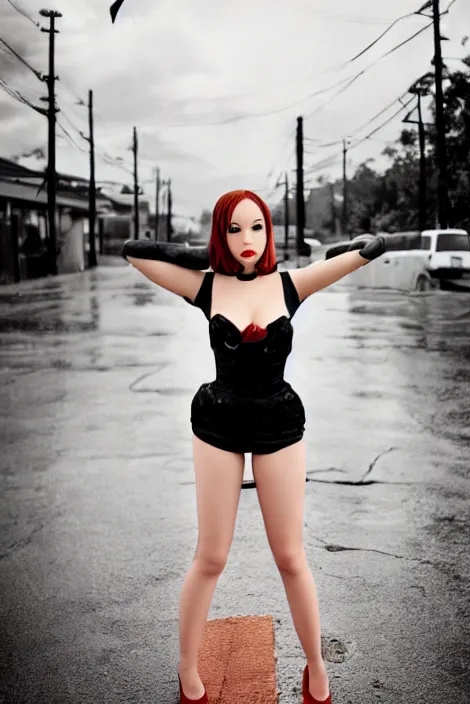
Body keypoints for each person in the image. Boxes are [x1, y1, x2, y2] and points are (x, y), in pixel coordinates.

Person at [121, 190, 385, 704]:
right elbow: (134, 251)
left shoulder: (289, 285)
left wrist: (357, 245)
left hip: (278, 424)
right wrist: (204, 253)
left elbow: (366, 252)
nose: (248, 240)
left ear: (270, 231)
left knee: (290, 556)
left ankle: (315, 668)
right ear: (221, 234)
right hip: (217, 424)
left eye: (257, 227)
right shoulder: (206, 287)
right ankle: (187, 667)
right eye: (235, 229)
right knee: (211, 556)